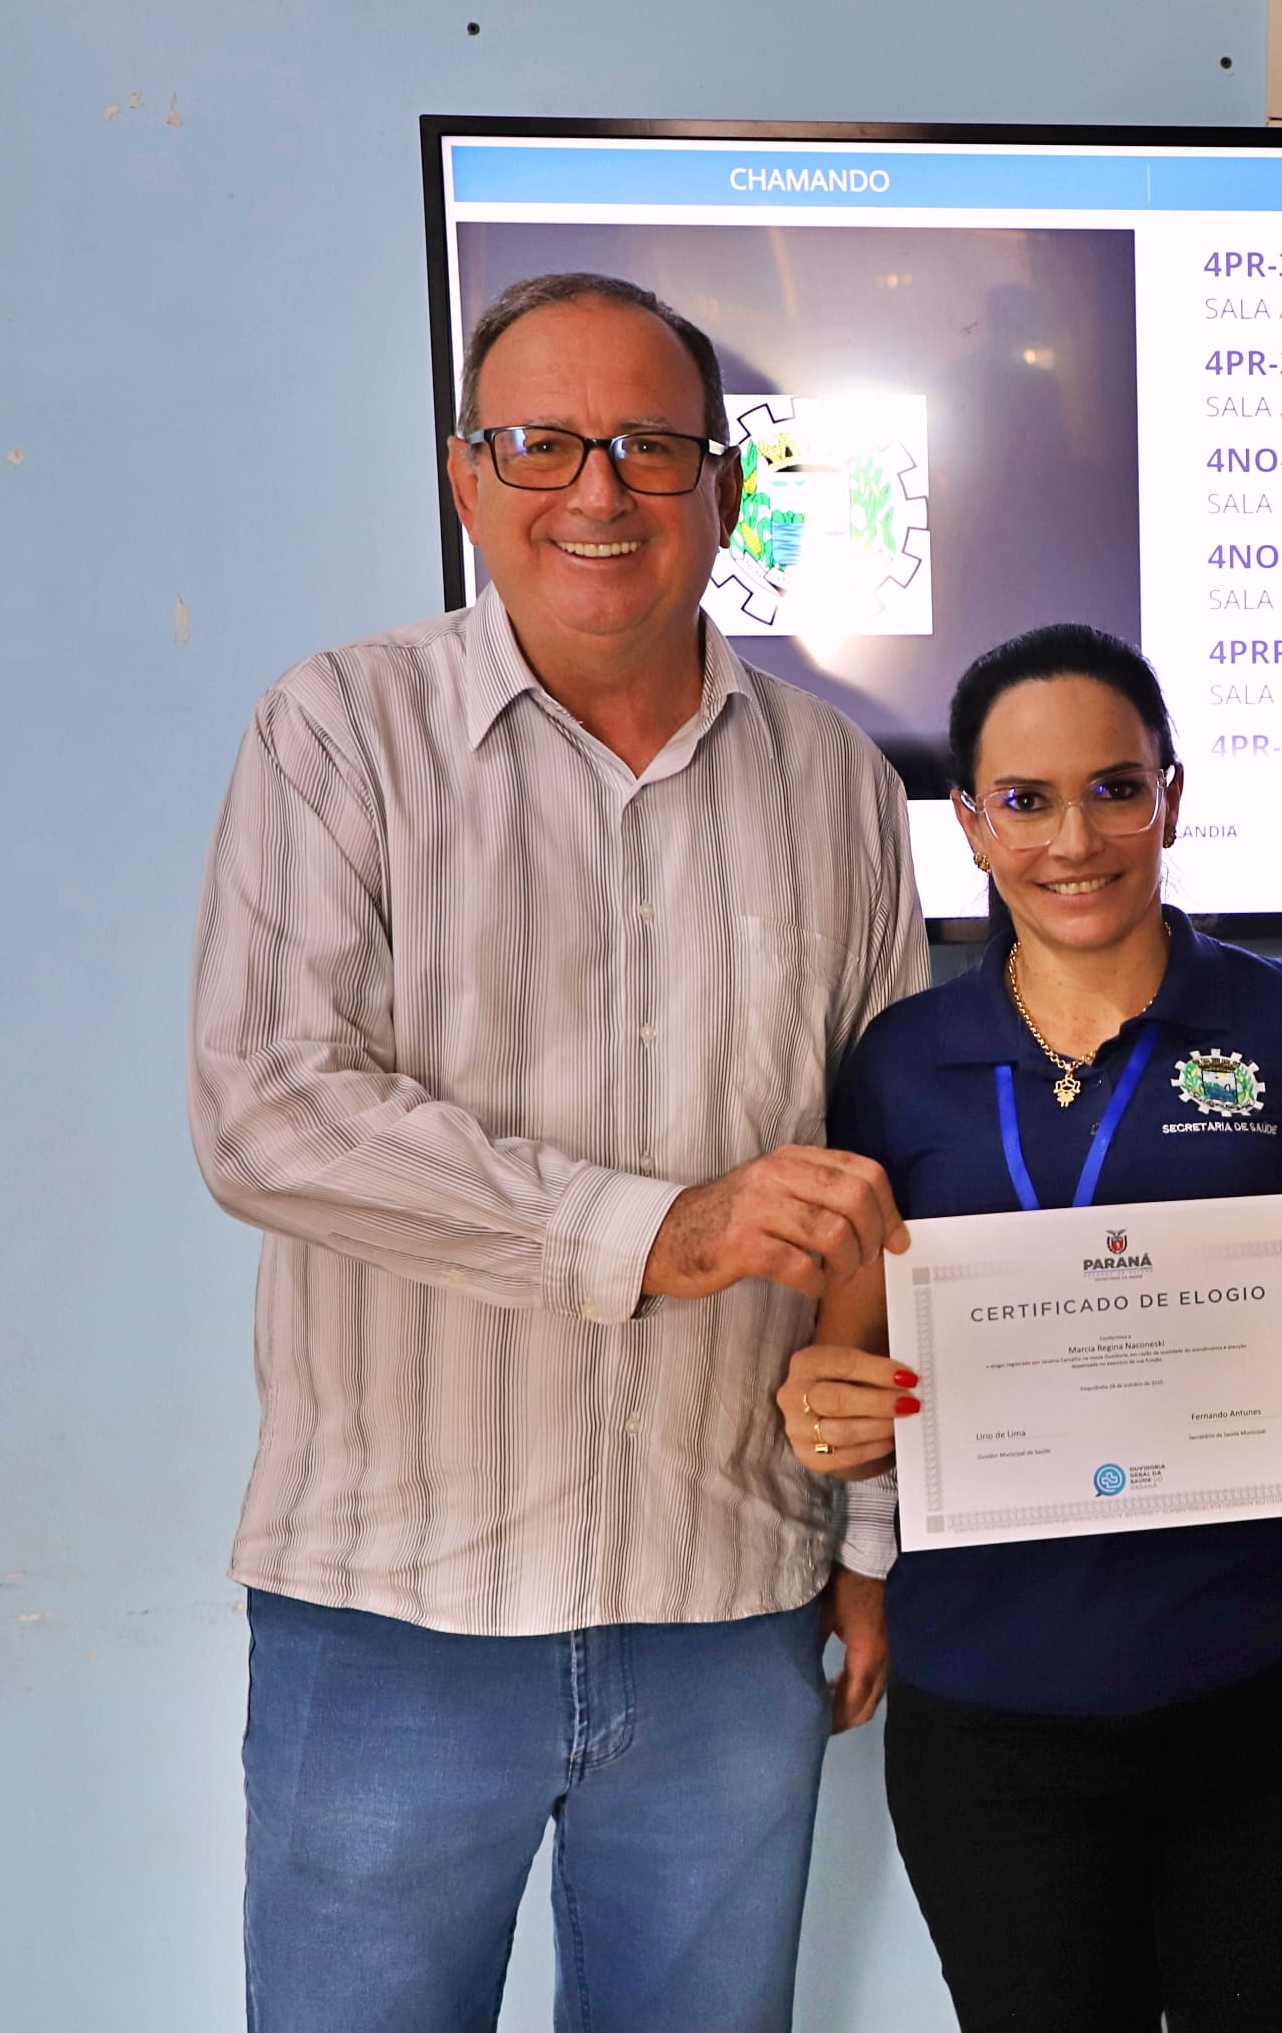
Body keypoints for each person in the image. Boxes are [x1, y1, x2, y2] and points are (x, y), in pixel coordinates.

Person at [189, 271, 921, 2032]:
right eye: (541, 443)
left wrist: (874, 1542)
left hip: (727, 1604)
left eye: (653, 447)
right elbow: (269, 1109)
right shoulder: (338, 732)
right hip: (394, 1607)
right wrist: (659, 1233)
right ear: (467, 477)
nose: (598, 489)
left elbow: (880, 1186)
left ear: (723, 490)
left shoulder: (838, 784)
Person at [774, 623, 1282, 2033]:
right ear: (969, 823)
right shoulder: (899, 1065)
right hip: (994, 1724)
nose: (1075, 839)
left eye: (1114, 789)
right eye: (1024, 800)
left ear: (1171, 795)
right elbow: (844, 1369)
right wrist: (826, 1418)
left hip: (1281, 1701)